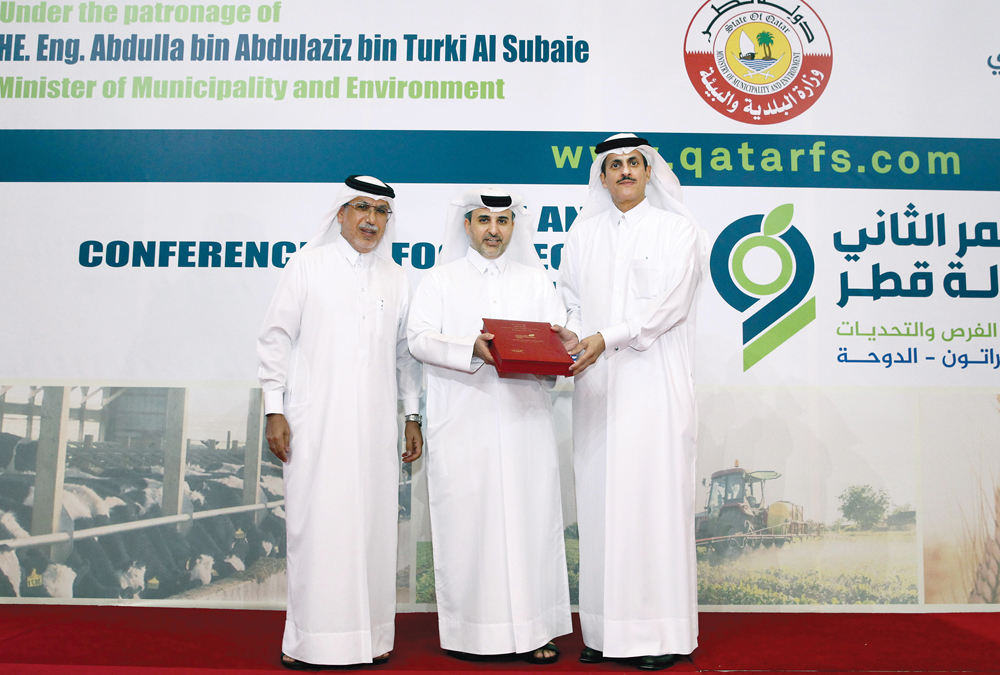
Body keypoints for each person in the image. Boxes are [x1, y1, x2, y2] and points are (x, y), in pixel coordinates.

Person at [257, 175, 423, 669]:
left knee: (372, 529)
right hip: (316, 424)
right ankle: (311, 642)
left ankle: (370, 639)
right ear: (340, 214)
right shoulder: (307, 265)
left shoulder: (396, 277)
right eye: (361, 209)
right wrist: (274, 407)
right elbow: (274, 337)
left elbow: (404, 356)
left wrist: (412, 414)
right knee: (318, 529)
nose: (371, 220)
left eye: (381, 211)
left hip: (376, 429)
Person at [556, 133, 709, 670]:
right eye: (613, 165)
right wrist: (574, 338)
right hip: (597, 388)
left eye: (632, 164)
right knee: (600, 508)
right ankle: (603, 633)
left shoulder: (677, 229)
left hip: (655, 388)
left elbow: (670, 305)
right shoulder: (583, 235)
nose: (623, 172)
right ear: (601, 177)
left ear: (648, 173)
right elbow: (570, 301)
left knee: (651, 506)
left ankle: (658, 636)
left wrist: (607, 336)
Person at [407, 188, 572, 664]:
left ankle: (536, 630)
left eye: (502, 221)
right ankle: (471, 634)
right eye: (483, 220)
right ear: (467, 226)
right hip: (463, 422)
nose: (493, 230)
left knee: (530, 524)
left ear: (514, 227)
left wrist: (560, 349)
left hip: (525, 425)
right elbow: (418, 339)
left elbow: (558, 343)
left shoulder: (537, 282)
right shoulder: (439, 280)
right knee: (468, 524)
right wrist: (469, 348)